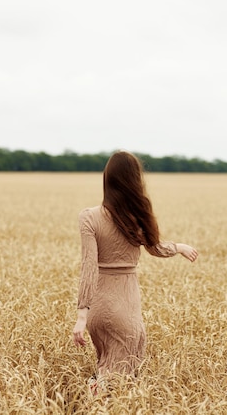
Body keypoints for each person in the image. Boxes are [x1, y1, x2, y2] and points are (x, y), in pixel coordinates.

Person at [72, 151, 198, 391]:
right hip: (125, 307)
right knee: (122, 378)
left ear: (107, 179)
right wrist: (179, 247)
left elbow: (88, 267)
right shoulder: (136, 218)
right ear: (134, 180)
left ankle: (85, 402)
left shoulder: (88, 217)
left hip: (97, 309)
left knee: (105, 371)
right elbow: (156, 248)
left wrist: (81, 317)